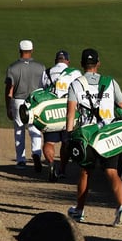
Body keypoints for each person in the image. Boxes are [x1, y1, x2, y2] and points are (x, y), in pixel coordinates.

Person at [66, 48, 122, 226]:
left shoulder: (75, 84)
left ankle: (79, 211)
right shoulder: (110, 82)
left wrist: (69, 135)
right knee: (112, 172)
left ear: (81, 65)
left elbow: (71, 115)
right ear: (98, 64)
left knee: (85, 172)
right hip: (109, 134)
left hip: (88, 135)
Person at [40, 50, 82, 180]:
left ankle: (51, 164)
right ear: (67, 61)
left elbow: (41, 91)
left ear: (55, 60)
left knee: (49, 142)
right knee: (66, 142)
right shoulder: (75, 73)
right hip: (67, 111)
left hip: (51, 112)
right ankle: (62, 169)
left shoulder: (46, 72)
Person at [5, 40, 46, 171]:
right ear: (32, 50)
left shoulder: (13, 68)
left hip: (18, 101)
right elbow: (45, 87)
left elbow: (9, 89)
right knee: (35, 129)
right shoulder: (41, 67)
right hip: (35, 101)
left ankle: (21, 160)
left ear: (20, 50)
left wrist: (8, 107)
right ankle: (36, 153)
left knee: (19, 130)